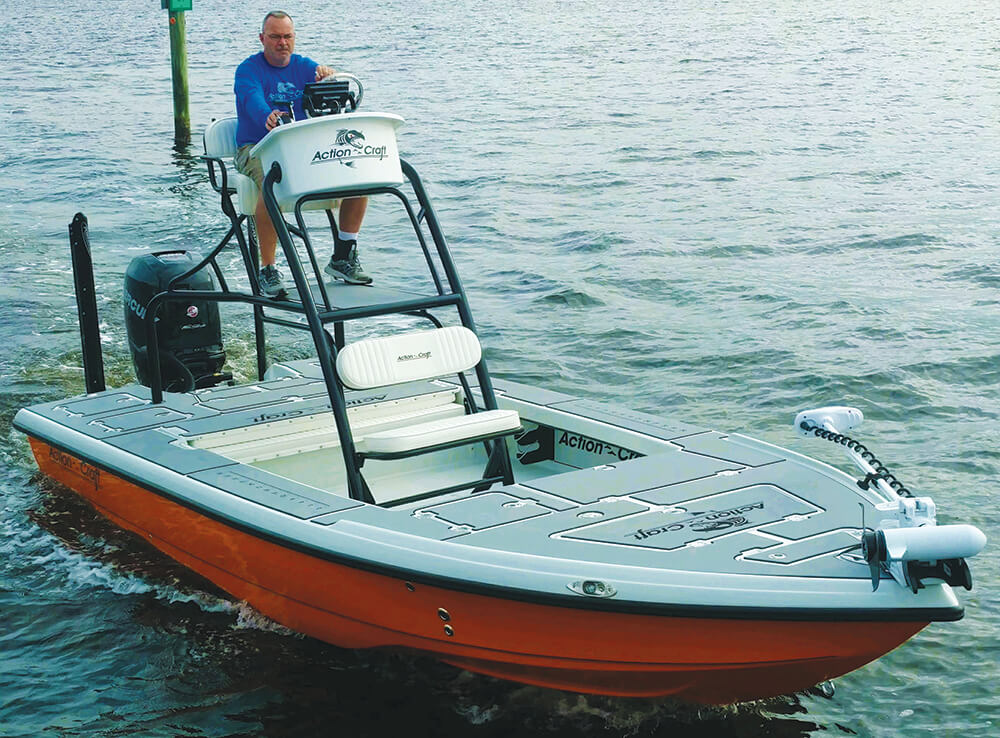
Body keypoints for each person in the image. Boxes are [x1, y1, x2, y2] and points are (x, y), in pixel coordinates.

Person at [234, 10, 372, 297]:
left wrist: (327, 78)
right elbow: (252, 99)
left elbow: (329, 95)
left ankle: (343, 256)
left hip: (300, 147)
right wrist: (267, 116)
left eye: (287, 36)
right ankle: (268, 269)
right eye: (274, 37)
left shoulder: (305, 67)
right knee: (272, 181)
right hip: (257, 145)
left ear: (293, 39)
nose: (281, 42)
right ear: (263, 39)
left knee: (361, 173)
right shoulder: (248, 70)